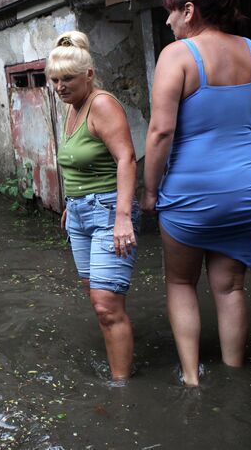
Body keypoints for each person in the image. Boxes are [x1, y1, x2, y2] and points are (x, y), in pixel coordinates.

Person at [142, 0, 251, 386]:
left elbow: (160, 132)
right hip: (245, 190)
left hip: (191, 192)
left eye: (170, 12)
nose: (168, 22)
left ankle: (191, 379)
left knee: (181, 282)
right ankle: (236, 375)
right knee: (230, 288)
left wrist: (150, 191)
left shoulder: (178, 55)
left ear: (188, 11)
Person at [48, 31, 140, 383]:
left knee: (106, 304)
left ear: (88, 74)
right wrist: (71, 204)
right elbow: (76, 164)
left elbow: (126, 158)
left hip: (108, 213)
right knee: (101, 300)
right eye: (55, 80)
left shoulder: (102, 104)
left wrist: (122, 218)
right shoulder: (72, 109)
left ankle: (121, 388)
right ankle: (121, 360)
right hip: (81, 214)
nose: (59, 87)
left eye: (67, 79)